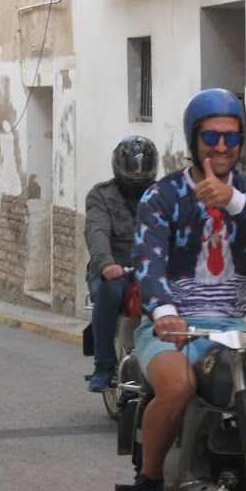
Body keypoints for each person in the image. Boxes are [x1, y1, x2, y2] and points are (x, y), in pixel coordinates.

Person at [126, 88, 246, 491]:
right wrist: (164, 311)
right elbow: (148, 264)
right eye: (211, 137)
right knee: (176, 386)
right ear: (194, 139)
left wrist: (233, 202)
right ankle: (149, 482)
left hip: (232, 328)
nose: (222, 147)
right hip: (173, 327)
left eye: (232, 138)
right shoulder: (163, 196)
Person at [84, 135, 158, 392]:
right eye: (132, 165)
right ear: (119, 165)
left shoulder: (161, 195)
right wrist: (105, 264)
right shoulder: (101, 195)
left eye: (144, 165)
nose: (138, 171)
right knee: (110, 290)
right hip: (116, 269)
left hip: (151, 270)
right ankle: (104, 365)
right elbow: (97, 232)